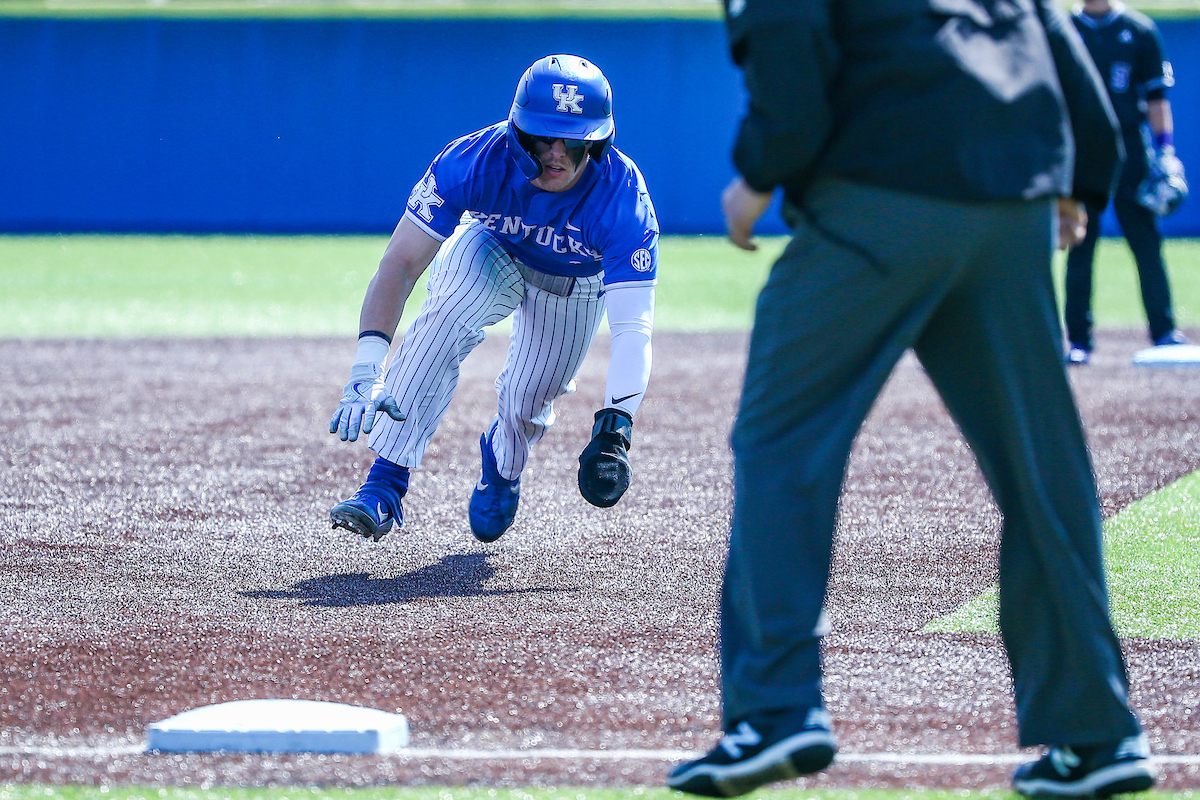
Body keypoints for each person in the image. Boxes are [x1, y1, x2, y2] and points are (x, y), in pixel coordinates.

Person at [666, 0, 1157, 796]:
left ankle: (775, 711)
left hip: (880, 194)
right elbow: (1069, 60)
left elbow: (790, 59)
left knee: (784, 444)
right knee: (1042, 469)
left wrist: (759, 175)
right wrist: (1082, 184)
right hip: (1013, 200)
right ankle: (1098, 734)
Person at [327, 54, 658, 544]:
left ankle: (503, 469)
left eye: (575, 138)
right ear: (517, 131)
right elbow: (400, 263)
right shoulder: (474, 161)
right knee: (445, 319)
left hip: (574, 282)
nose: (558, 153)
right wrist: (366, 367)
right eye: (544, 136)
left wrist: (615, 430)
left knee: (528, 400)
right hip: (493, 247)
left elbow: (634, 328)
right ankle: (385, 484)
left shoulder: (622, 200)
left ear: (599, 140)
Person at [1064, 0, 1188, 365]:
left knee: (1145, 241)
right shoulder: (1064, 28)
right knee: (1079, 243)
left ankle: (1164, 331)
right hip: (1082, 150)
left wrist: (1165, 151)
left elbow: (1156, 98)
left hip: (1130, 150)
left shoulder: (1139, 30)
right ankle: (1077, 339)